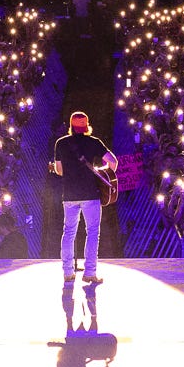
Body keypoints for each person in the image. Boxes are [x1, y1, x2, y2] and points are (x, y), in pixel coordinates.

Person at [49, 111, 115, 290]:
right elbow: (113, 162)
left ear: (70, 125)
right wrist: (99, 171)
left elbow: (60, 171)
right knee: (92, 232)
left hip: (69, 195)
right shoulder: (94, 142)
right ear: (86, 126)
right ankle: (90, 273)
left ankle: (68, 271)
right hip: (90, 194)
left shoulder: (61, 143)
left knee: (69, 231)